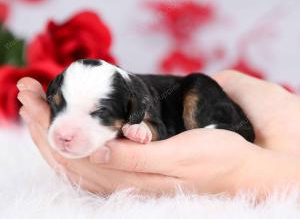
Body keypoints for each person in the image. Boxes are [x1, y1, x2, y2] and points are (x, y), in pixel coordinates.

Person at [16, 70, 300, 196]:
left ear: (132, 108)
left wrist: (145, 130)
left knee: (199, 85)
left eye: (98, 113)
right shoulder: (118, 94)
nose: (65, 131)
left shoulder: (137, 102)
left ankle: (219, 127)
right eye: (58, 108)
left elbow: (157, 127)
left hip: (196, 98)